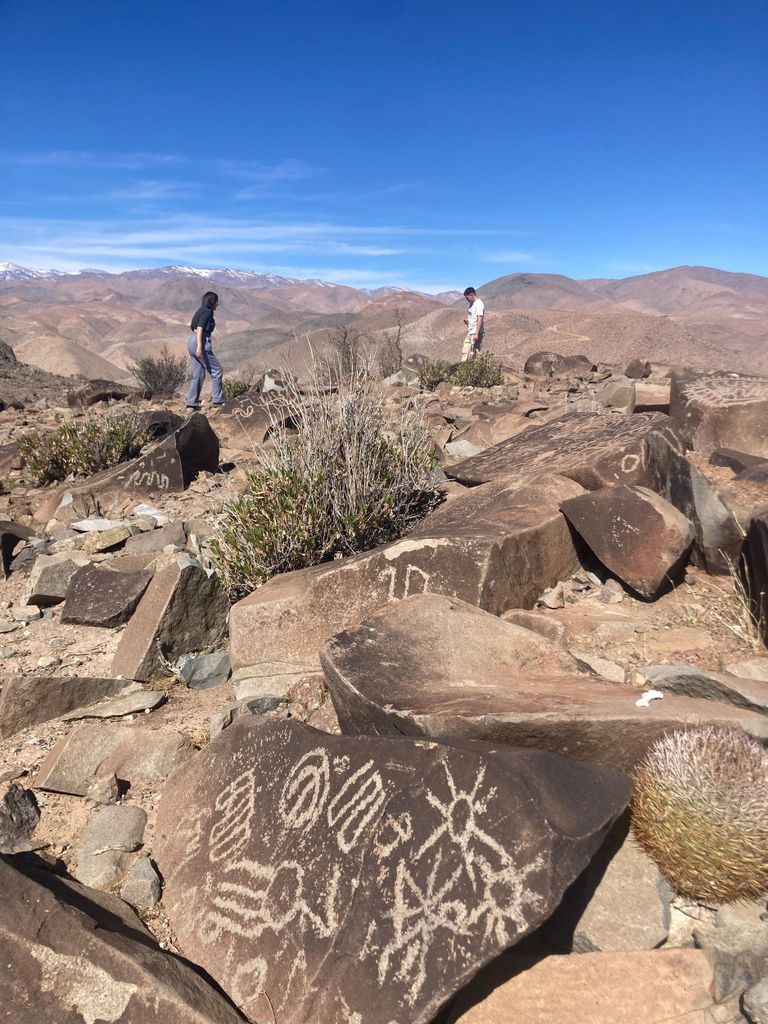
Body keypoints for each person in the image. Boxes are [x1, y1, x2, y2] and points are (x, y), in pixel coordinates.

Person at [186, 291, 224, 410]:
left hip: (191, 340)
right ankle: (217, 401)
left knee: (198, 373)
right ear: (212, 302)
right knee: (217, 371)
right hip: (200, 342)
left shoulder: (200, 310)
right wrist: (200, 346)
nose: (217, 304)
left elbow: (193, 326)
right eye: (216, 301)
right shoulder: (207, 312)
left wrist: (197, 338)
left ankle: (191, 403)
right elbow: (200, 327)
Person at [461, 287, 485, 361]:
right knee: (465, 350)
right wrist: (468, 322)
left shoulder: (479, 304)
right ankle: (462, 367)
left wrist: (476, 333)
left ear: (471, 295)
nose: (467, 300)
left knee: (474, 353)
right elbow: (473, 317)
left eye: (467, 298)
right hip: (470, 331)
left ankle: (475, 369)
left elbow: (480, 319)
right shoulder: (472, 304)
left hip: (475, 332)